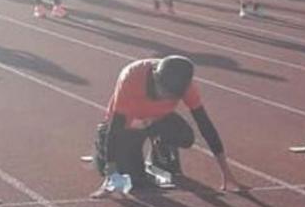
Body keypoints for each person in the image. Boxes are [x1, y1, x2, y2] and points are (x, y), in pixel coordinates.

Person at [92, 55, 239, 195]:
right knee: (134, 183)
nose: (167, 97)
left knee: (185, 137)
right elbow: (116, 125)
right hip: (128, 122)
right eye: (165, 91)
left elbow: (204, 124)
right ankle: (102, 147)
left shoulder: (186, 86)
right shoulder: (131, 78)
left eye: (173, 95)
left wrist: (225, 171)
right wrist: (110, 170)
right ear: (155, 77)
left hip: (157, 119)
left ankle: (159, 154)